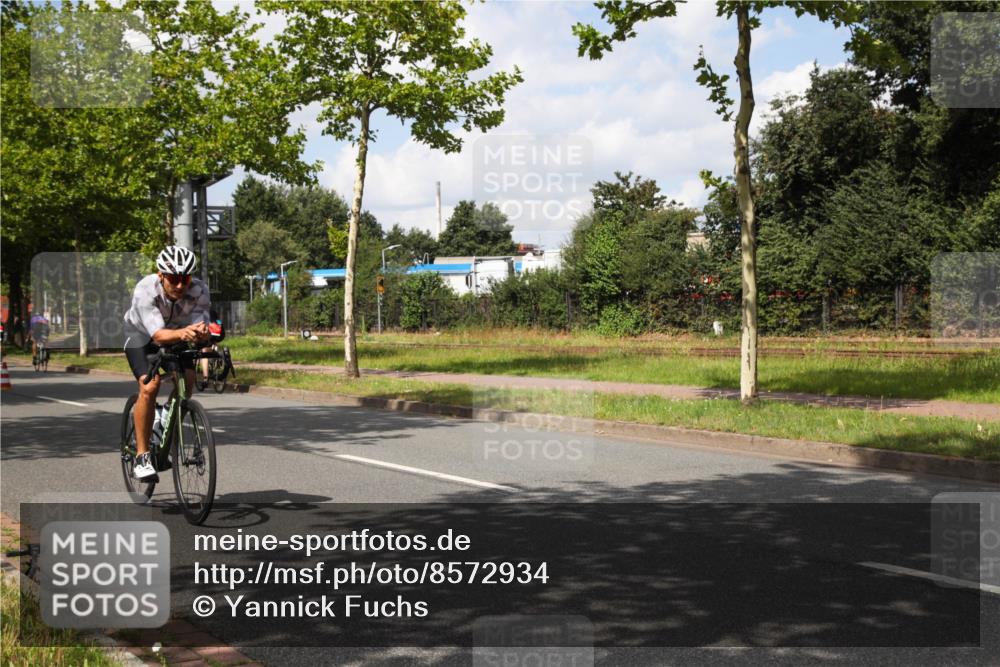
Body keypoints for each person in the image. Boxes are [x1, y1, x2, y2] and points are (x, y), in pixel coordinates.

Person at [123, 246, 211, 481]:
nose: (180, 285)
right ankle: (142, 456)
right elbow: (159, 336)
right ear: (161, 275)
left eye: (185, 278)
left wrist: (203, 331)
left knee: (187, 384)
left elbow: (201, 325)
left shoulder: (200, 290)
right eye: (173, 279)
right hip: (141, 338)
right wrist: (187, 333)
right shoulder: (145, 289)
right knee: (149, 386)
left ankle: (163, 418)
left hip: (176, 335)